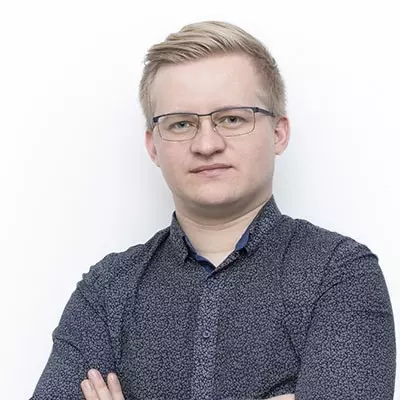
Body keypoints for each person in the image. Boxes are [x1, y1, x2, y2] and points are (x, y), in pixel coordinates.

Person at [30, 20, 396, 400]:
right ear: (153, 146)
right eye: (181, 124)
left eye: (232, 119)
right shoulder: (107, 290)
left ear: (279, 133)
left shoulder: (339, 273)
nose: (206, 144)